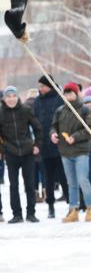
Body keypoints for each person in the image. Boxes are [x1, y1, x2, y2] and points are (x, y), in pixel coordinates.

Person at [50, 82, 91, 223]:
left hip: (81, 150)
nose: (69, 96)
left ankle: (90, 206)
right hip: (65, 151)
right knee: (72, 183)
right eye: (66, 93)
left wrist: (74, 137)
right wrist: (53, 134)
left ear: (76, 94)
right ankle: (73, 210)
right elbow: (53, 126)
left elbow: (90, 129)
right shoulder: (59, 111)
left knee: (82, 179)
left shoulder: (84, 110)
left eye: (71, 93)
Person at [0, 86, 42, 223]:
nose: (11, 99)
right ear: (4, 99)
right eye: (8, 96)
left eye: (13, 96)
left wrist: (37, 145)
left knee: (29, 184)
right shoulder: (0, 112)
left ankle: (31, 213)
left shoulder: (25, 110)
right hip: (11, 153)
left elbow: (38, 128)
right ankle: (17, 214)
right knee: (13, 185)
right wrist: (3, 149)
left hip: (27, 152)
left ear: (17, 97)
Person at [34, 75, 69, 218]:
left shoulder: (59, 98)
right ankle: (50, 206)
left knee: (64, 177)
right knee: (47, 178)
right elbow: (35, 121)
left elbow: (65, 120)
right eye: (40, 86)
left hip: (60, 145)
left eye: (43, 86)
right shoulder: (37, 101)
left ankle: (71, 204)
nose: (40, 89)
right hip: (44, 146)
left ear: (49, 86)